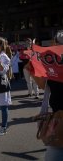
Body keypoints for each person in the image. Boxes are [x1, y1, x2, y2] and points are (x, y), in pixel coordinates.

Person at [29, 32, 63, 161]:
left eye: (56, 43)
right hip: (58, 117)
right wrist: (33, 69)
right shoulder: (51, 63)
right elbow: (43, 85)